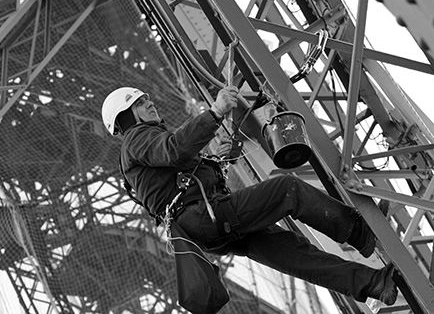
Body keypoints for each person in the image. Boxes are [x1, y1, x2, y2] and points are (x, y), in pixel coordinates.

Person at [102, 85, 399, 306]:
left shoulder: (138, 153)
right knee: (286, 190)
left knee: (295, 255)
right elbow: (176, 148)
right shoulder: (137, 138)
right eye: (140, 103)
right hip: (207, 216)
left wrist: (211, 162)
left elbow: (174, 174)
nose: (149, 103)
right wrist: (216, 112)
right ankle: (359, 232)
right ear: (126, 118)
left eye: (146, 99)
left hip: (205, 227)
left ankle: (374, 284)